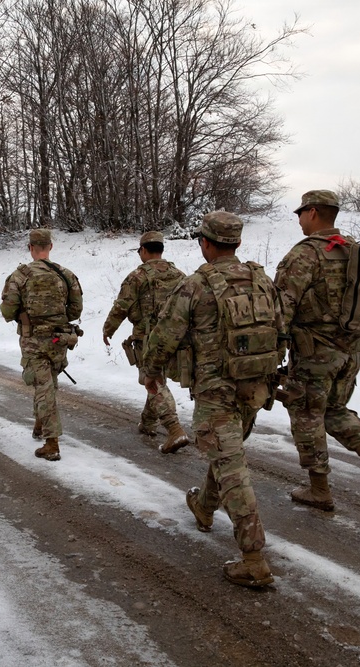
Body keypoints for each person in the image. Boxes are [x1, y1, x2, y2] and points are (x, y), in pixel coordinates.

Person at [142, 211, 283, 588]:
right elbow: (281, 330)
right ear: (236, 243)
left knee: (231, 465)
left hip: (217, 390)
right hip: (255, 387)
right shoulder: (261, 279)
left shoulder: (196, 285)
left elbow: (164, 335)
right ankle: (204, 507)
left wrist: (150, 371)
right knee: (227, 454)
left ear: (206, 243)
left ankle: (253, 558)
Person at [274, 190, 360, 511]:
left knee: (307, 414)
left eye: (301, 213)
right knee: (334, 410)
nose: (299, 219)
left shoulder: (305, 255)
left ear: (313, 212)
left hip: (314, 355)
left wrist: (270, 353)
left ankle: (319, 489)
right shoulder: (355, 251)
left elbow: (280, 310)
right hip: (352, 353)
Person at [102, 232, 191, 454]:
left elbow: (121, 306)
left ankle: (174, 429)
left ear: (143, 250)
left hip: (148, 339)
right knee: (157, 379)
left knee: (152, 381)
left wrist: (108, 329)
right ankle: (148, 422)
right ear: (161, 249)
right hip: (176, 338)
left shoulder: (137, 276)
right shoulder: (179, 275)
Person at [0, 228, 83, 462]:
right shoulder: (65, 275)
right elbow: (75, 310)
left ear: (30, 248)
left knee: (43, 386)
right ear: (50, 247)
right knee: (47, 383)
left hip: (33, 340)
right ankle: (40, 424)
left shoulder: (19, 276)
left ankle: (52, 442)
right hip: (59, 339)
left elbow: (7, 311)